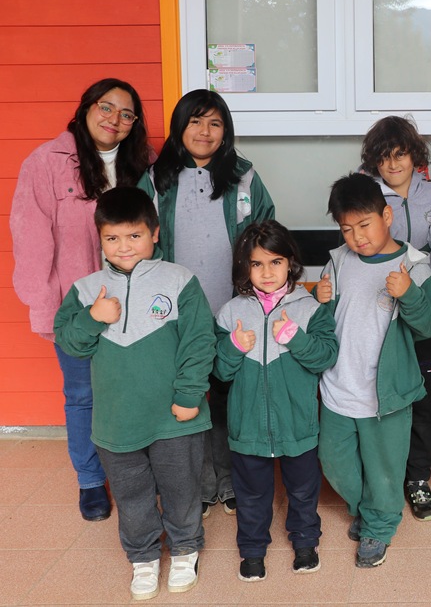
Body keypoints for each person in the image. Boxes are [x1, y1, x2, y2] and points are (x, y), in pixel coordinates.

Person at [53, 187, 214, 600]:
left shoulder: (180, 281)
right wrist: (93, 317)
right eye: (112, 237)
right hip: (117, 421)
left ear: (154, 233)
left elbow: (199, 342)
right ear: (100, 238)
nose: (123, 246)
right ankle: (143, 556)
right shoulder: (86, 290)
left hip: (175, 417)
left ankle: (184, 548)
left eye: (134, 235)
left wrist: (189, 395)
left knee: (181, 487)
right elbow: (70, 342)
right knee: (131, 493)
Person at [11, 78, 153, 522]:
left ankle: (140, 473)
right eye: (106, 107)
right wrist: (46, 308)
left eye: (126, 114)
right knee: (82, 395)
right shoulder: (46, 162)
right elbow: (31, 240)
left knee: (138, 388)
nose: (115, 119)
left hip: (137, 304)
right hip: (77, 309)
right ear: (86, 108)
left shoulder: (145, 165)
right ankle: (90, 481)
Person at [138, 89, 276, 519]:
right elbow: (139, 241)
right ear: (180, 127)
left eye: (215, 123)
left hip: (234, 307)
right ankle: (199, 484)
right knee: (189, 397)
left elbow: (265, 232)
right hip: (178, 314)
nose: (204, 131)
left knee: (231, 397)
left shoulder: (244, 177)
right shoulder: (157, 178)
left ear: (226, 131)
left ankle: (232, 480)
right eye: (195, 121)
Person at [314, 173, 431, 568]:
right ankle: (367, 509)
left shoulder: (414, 265)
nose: (357, 237)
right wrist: (318, 299)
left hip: (386, 393)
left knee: (385, 469)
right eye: (346, 229)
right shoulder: (339, 260)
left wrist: (409, 294)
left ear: (386, 216)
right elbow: (324, 323)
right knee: (334, 461)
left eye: (364, 225)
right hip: (338, 386)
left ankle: (379, 525)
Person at [214, 221, 339, 582]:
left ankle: (306, 544)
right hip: (248, 428)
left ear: (290, 263)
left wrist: (295, 338)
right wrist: (233, 347)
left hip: (298, 424)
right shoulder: (230, 312)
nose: (267, 273)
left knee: (302, 490)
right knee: (251, 494)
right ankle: (252, 550)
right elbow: (220, 372)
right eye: (257, 264)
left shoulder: (310, 308)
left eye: (275, 262)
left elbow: (325, 357)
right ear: (245, 267)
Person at [360, 115, 431, 522]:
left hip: (428, 315)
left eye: (400, 154)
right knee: (381, 397)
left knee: (423, 398)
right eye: (384, 157)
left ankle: (417, 477)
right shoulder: (365, 195)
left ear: (414, 155)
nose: (393, 164)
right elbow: (353, 247)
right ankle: (381, 476)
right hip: (382, 317)